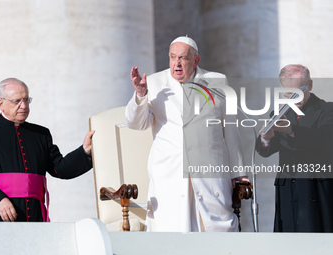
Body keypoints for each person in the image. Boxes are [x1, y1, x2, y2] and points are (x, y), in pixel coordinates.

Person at [125, 36, 248, 232]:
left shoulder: (217, 81)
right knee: (171, 230)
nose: (177, 64)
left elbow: (230, 129)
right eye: (173, 57)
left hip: (209, 172)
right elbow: (136, 123)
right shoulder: (155, 83)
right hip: (170, 172)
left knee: (212, 231)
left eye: (183, 58)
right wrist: (140, 95)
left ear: (196, 61)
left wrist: (239, 173)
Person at [0, 78, 95, 222]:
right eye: (17, 101)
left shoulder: (40, 134)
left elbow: (60, 169)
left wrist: (85, 151)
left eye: (26, 100)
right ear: (0, 103)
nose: (23, 106)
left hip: (35, 217)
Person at [256, 64, 333, 232]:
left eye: (299, 91)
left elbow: (324, 139)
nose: (294, 98)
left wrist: (291, 130)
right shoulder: (279, 113)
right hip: (288, 191)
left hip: (316, 190)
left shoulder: (327, 109)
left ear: (310, 85)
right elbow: (264, 151)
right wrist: (265, 138)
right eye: (289, 93)